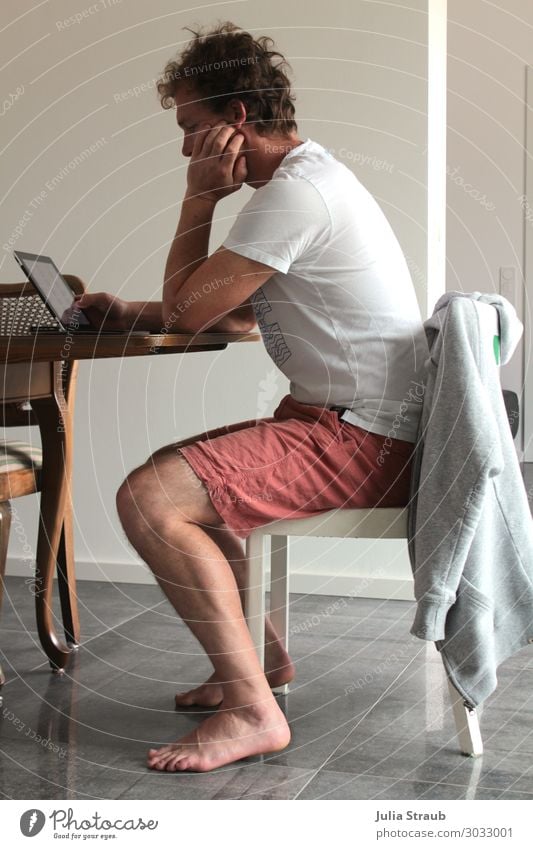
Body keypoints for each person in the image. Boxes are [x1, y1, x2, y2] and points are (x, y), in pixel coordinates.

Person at [75, 21, 429, 772]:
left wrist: (198, 198)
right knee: (183, 482)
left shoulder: (297, 195)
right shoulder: (307, 181)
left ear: (236, 120)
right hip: (348, 425)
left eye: (191, 127)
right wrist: (128, 312)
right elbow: (234, 312)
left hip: (361, 438)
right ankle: (257, 665)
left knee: (150, 497)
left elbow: (186, 315)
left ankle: (250, 712)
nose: (184, 148)